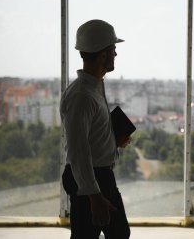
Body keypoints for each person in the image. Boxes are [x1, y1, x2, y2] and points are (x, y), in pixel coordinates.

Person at [60, 19, 131, 239]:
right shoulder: (82, 96)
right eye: (114, 50)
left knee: (119, 233)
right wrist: (94, 196)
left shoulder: (95, 85)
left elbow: (89, 136)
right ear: (103, 55)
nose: (116, 55)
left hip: (99, 175)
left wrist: (111, 140)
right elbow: (78, 152)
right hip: (89, 178)